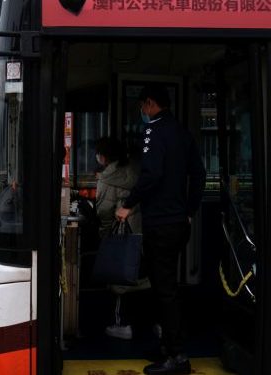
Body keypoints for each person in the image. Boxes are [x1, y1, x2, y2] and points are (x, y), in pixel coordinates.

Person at [116, 84, 206, 375]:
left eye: (143, 106)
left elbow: (151, 174)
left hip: (160, 223)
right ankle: (168, 346)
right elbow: (200, 174)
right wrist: (189, 211)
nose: (142, 112)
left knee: (164, 291)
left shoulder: (154, 131)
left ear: (151, 104)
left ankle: (177, 357)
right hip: (179, 224)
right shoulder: (182, 132)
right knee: (168, 288)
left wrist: (128, 204)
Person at [94, 137, 146, 340]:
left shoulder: (107, 178)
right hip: (144, 229)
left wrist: (104, 234)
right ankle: (156, 323)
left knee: (120, 279)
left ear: (103, 157)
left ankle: (122, 324)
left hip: (122, 232)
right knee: (145, 276)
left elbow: (105, 211)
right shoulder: (138, 169)